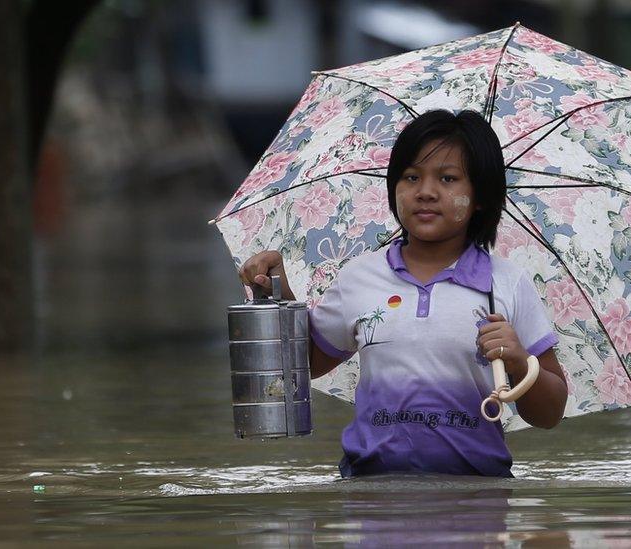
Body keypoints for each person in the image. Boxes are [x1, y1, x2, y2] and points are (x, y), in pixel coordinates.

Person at [238, 109, 568, 478]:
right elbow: (305, 366)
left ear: (480, 196)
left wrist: (519, 360)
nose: (425, 192)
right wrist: (279, 296)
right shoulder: (360, 278)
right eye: (411, 177)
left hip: (479, 494)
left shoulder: (506, 284)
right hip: (369, 489)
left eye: (448, 178)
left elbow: (550, 413)